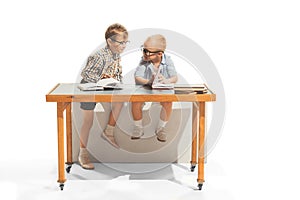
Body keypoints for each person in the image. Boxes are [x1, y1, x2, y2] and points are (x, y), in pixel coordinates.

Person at [78, 23, 129, 169]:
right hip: (90, 88)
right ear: (110, 42)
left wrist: (117, 83)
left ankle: (109, 131)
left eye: (125, 42)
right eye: (121, 42)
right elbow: (86, 74)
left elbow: (117, 74)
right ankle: (82, 153)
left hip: (106, 88)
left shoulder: (117, 55)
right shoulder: (99, 56)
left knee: (120, 101)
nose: (124, 46)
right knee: (88, 121)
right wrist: (102, 77)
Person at [131, 34, 178, 142]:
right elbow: (137, 77)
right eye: (144, 50)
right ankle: (138, 126)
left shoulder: (168, 60)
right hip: (146, 89)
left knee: (168, 102)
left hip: (162, 90)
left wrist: (166, 81)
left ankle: (161, 128)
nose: (145, 54)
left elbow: (174, 77)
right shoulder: (144, 60)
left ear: (160, 54)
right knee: (135, 101)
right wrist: (148, 82)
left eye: (148, 52)